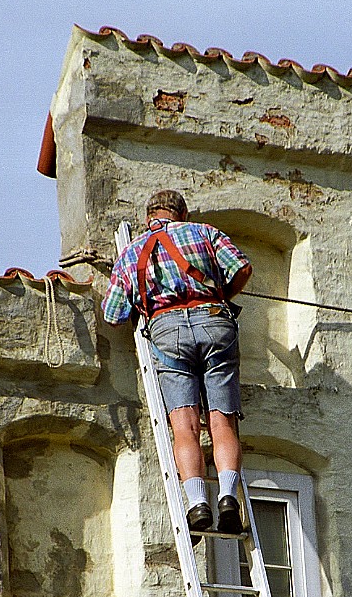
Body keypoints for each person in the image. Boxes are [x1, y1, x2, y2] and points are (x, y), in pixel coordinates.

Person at [102, 190, 252, 541]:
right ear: (181, 213)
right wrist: (222, 295)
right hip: (215, 322)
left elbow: (112, 316)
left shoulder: (131, 253)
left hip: (168, 332)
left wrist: (144, 302)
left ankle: (198, 504)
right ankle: (229, 498)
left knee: (184, 427)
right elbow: (242, 267)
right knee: (222, 419)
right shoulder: (204, 232)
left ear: (148, 216)